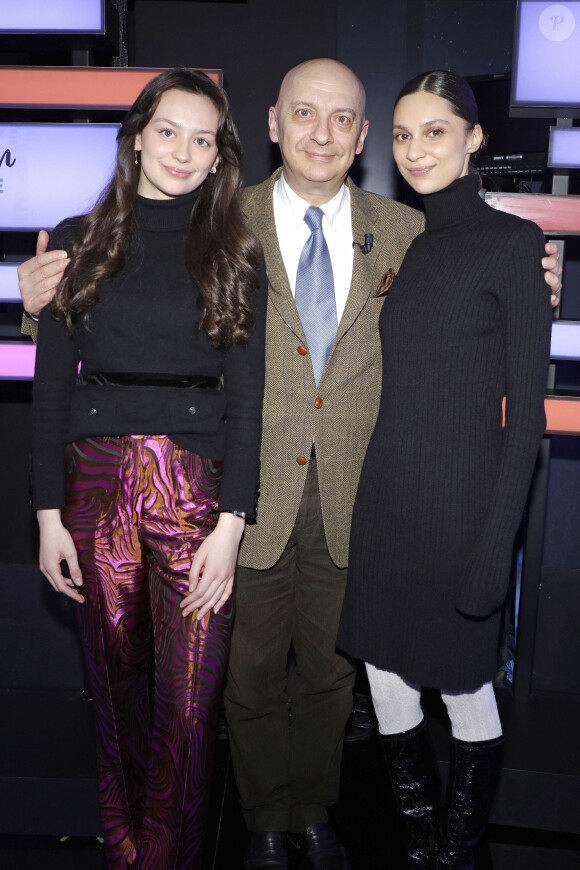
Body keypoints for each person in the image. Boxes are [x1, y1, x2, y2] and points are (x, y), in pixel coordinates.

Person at [19, 59, 560, 870]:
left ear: (363, 137)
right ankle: (265, 819)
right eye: (305, 114)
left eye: (343, 119)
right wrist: (33, 306)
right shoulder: (219, 220)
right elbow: (122, 318)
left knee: (332, 685)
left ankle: (315, 810)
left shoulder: (408, 231)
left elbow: (480, 304)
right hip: (245, 491)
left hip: (362, 494)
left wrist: (540, 283)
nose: (322, 132)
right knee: (246, 679)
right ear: (273, 124)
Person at [30, 68, 266, 870]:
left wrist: (233, 523)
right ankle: (130, 856)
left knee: (193, 710)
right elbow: (52, 386)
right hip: (95, 489)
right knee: (118, 700)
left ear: (218, 156)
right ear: (136, 138)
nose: (183, 151)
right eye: (169, 131)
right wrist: (46, 516)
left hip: (197, 495)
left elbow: (252, 396)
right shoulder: (76, 239)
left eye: (202, 139)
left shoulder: (235, 250)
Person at [337, 70, 553, 869]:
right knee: (386, 680)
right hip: (388, 502)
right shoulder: (414, 246)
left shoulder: (515, 243)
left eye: (434, 131)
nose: (415, 149)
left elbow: (527, 417)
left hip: (463, 514)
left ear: (474, 139)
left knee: (466, 692)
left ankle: (459, 849)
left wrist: (497, 547)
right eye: (401, 134)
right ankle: (420, 841)